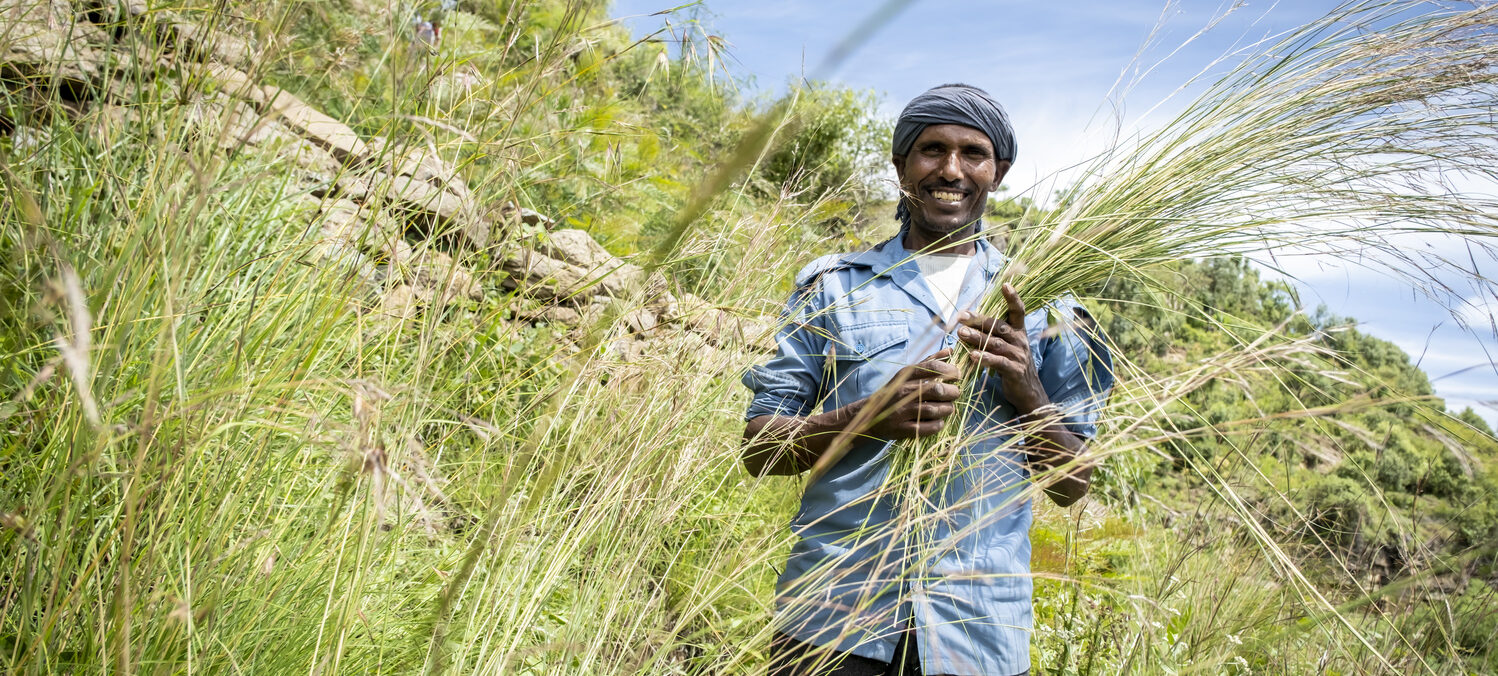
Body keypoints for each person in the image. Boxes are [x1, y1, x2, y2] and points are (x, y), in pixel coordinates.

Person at [741, 84, 1115, 676]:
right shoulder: (832, 287)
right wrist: (868, 416)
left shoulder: (1048, 305)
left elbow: (1073, 485)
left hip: (979, 632)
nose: (951, 170)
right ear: (901, 166)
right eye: (932, 149)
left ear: (998, 172)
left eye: (974, 153)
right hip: (832, 617)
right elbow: (760, 451)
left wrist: (1028, 389)